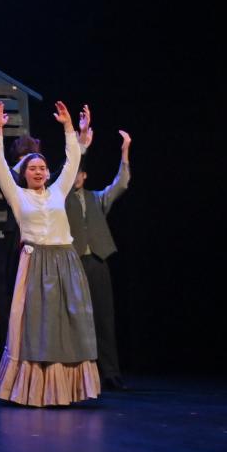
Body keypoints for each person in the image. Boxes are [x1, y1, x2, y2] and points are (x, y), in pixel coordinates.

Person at [0, 100, 100, 407]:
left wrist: (68, 127)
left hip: (65, 260)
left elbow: (73, 158)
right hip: (35, 261)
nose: (38, 172)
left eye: (42, 168)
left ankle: (67, 388)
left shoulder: (58, 191)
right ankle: (32, 388)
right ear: (23, 173)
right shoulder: (17, 195)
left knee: (68, 324)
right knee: (34, 326)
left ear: (48, 172)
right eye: (32, 168)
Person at [66, 117, 131, 390]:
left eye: (81, 173)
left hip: (97, 261)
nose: (78, 177)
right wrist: (81, 141)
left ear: (86, 176)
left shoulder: (96, 197)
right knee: (76, 319)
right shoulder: (61, 196)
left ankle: (111, 373)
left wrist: (125, 151)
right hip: (73, 262)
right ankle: (79, 375)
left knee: (104, 318)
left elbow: (121, 184)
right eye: (74, 173)